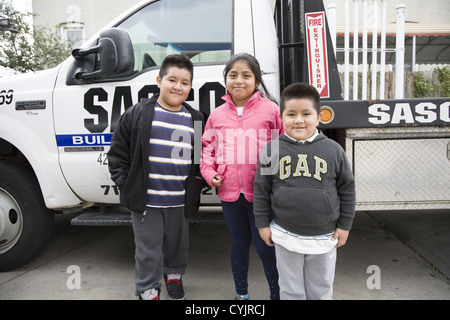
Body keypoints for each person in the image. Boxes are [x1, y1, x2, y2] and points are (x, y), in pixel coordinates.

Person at [108, 54, 205, 300]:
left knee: (177, 245)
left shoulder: (195, 119)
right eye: (172, 80)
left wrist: (196, 186)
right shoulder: (138, 113)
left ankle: (174, 276)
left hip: (180, 200)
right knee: (147, 250)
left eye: (184, 82)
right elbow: (118, 154)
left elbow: (199, 160)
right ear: (159, 80)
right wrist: (127, 185)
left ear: (190, 87)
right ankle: (147, 288)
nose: (178, 87)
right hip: (147, 202)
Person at [253, 82, 356, 300]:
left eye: (306, 114)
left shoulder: (333, 150)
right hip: (285, 234)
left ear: (319, 117)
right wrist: (262, 224)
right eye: (291, 114)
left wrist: (345, 226)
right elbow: (262, 190)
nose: (298, 120)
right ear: (281, 117)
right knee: (290, 289)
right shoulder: (272, 150)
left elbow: (347, 189)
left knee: (321, 288)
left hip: (324, 237)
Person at [201, 53, 283, 300]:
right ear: (225, 79)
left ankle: (277, 295)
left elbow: (283, 149)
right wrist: (211, 174)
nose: (239, 80)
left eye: (246, 75)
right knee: (238, 246)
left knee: (265, 248)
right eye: (233, 75)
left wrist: (274, 180)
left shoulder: (271, 110)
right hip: (230, 195)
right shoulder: (216, 115)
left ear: (256, 81)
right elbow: (207, 151)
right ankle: (241, 294)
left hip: (262, 196)